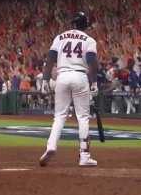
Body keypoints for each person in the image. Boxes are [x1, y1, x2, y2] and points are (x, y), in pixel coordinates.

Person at [39, 12, 98, 167]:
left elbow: (50, 58)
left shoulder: (60, 37)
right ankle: (84, 155)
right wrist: (94, 83)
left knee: (59, 116)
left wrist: (45, 79)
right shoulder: (89, 40)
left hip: (62, 76)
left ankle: (50, 146)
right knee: (83, 117)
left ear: (72, 24)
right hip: (80, 76)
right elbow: (92, 62)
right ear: (85, 25)